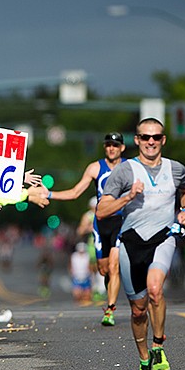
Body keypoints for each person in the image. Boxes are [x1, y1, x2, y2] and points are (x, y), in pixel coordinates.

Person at [96, 117, 185, 370]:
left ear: (163, 140)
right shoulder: (125, 171)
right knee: (138, 310)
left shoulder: (176, 169)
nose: (151, 141)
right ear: (137, 140)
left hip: (163, 238)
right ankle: (143, 362)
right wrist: (128, 197)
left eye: (156, 137)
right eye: (145, 137)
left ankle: (159, 346)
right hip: (131, 242)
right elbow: (102, 211)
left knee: (155, 291)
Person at [47, 132, 127, 326]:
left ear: (122, 148)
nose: (112, 148)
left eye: (115, 145)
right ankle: (110, 294)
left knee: (115, 266)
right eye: (108, 145)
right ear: (104, 147)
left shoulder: (129, 167)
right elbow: (75, 192)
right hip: (101, 224)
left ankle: (110, 309)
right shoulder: (95, 168)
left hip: (120, 221)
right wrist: (49, 193)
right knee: (104, 269)